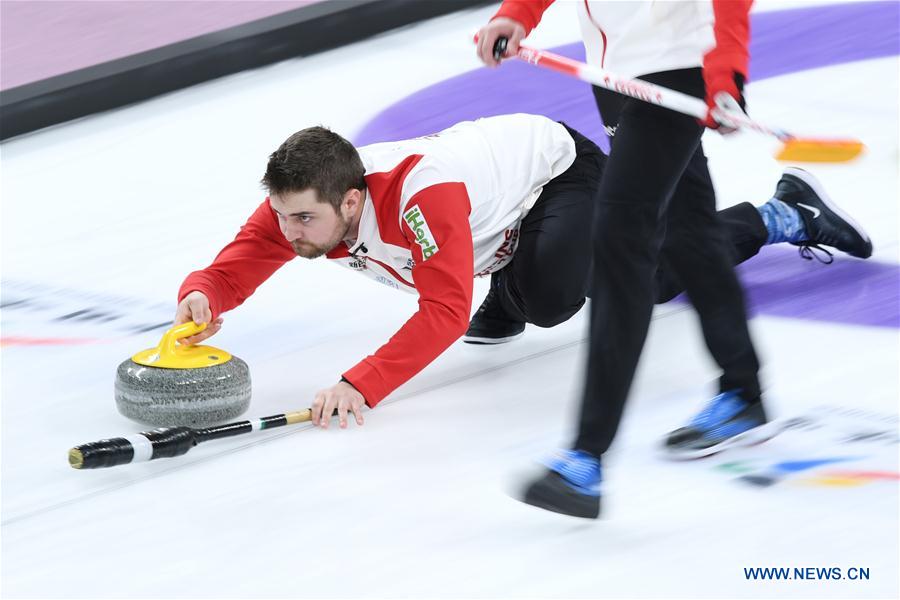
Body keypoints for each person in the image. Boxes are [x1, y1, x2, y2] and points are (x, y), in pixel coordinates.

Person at [173, 114, 870, 440]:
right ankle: (510, 274)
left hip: (561, 176)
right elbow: (241, 258)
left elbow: (442, 311)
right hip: (499, 214)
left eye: (301, 220)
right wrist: (203, 294)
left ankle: (781, 214)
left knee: (579, 295)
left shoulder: (421, 201)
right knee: (533, 289)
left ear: (351, 202)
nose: (286, 232)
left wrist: (359, 384)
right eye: (282, 217)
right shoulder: (304, 203)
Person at [476, 1, 872, 518]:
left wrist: (726, 69)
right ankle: (743, 389)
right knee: (691, 233)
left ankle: (586, 459)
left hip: (676, 68)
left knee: (620, 242)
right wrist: (518, 13)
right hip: (615, 74)